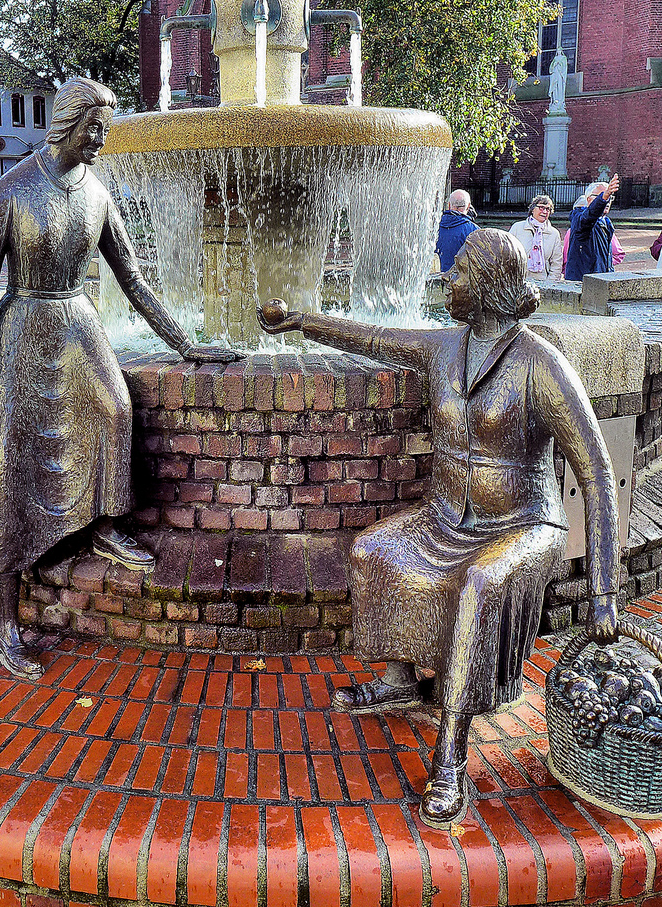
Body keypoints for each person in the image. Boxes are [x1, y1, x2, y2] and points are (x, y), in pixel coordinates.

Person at [258, 228, 619, 827]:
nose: (448, 280)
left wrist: (605, 589)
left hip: (521, 523)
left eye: (460, 274)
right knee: (375, 549)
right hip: (447, 516)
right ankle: (400, 677)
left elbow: (598, 472)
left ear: (491, 287)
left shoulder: (540, 363)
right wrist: (301, 320)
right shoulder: (446, 347)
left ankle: (450, 749)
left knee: (479, 584)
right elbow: (375, 339)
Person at [0, 77, 239, 679]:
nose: (101, 139)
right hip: (20, 327)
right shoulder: (11, 191)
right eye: (93, 128)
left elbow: (134, 280)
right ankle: (7, 624)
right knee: (11, 470)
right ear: (67, 126)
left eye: (104, 129)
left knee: (116, 408)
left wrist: (187, 346)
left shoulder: (97, 195)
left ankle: (103, 524)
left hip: (76, 321)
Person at [564, 174, 620, 282]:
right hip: (583, 283)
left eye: (610, 197)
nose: (607, 201)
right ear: (589, 199)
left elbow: (606, 259)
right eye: (602, 196)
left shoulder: (606, 223)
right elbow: (588, 218)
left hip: (602, 283)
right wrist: (603, 197)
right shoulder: (579, 217)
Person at [508, 195, 563, 281]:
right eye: (541, 207)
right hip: (520, 280)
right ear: (533, 209)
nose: (544, 211)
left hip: (543, 281)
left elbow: (557, 263)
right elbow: (508, 255)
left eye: (547, 209)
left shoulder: (554, 234)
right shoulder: (517, 228)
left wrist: (550, 283)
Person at [435, 190, 478, 273]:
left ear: (449, 205)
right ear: (468, 206)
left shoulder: (433, 228)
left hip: (435, 281)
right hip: (459, 282)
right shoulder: (474, 231)